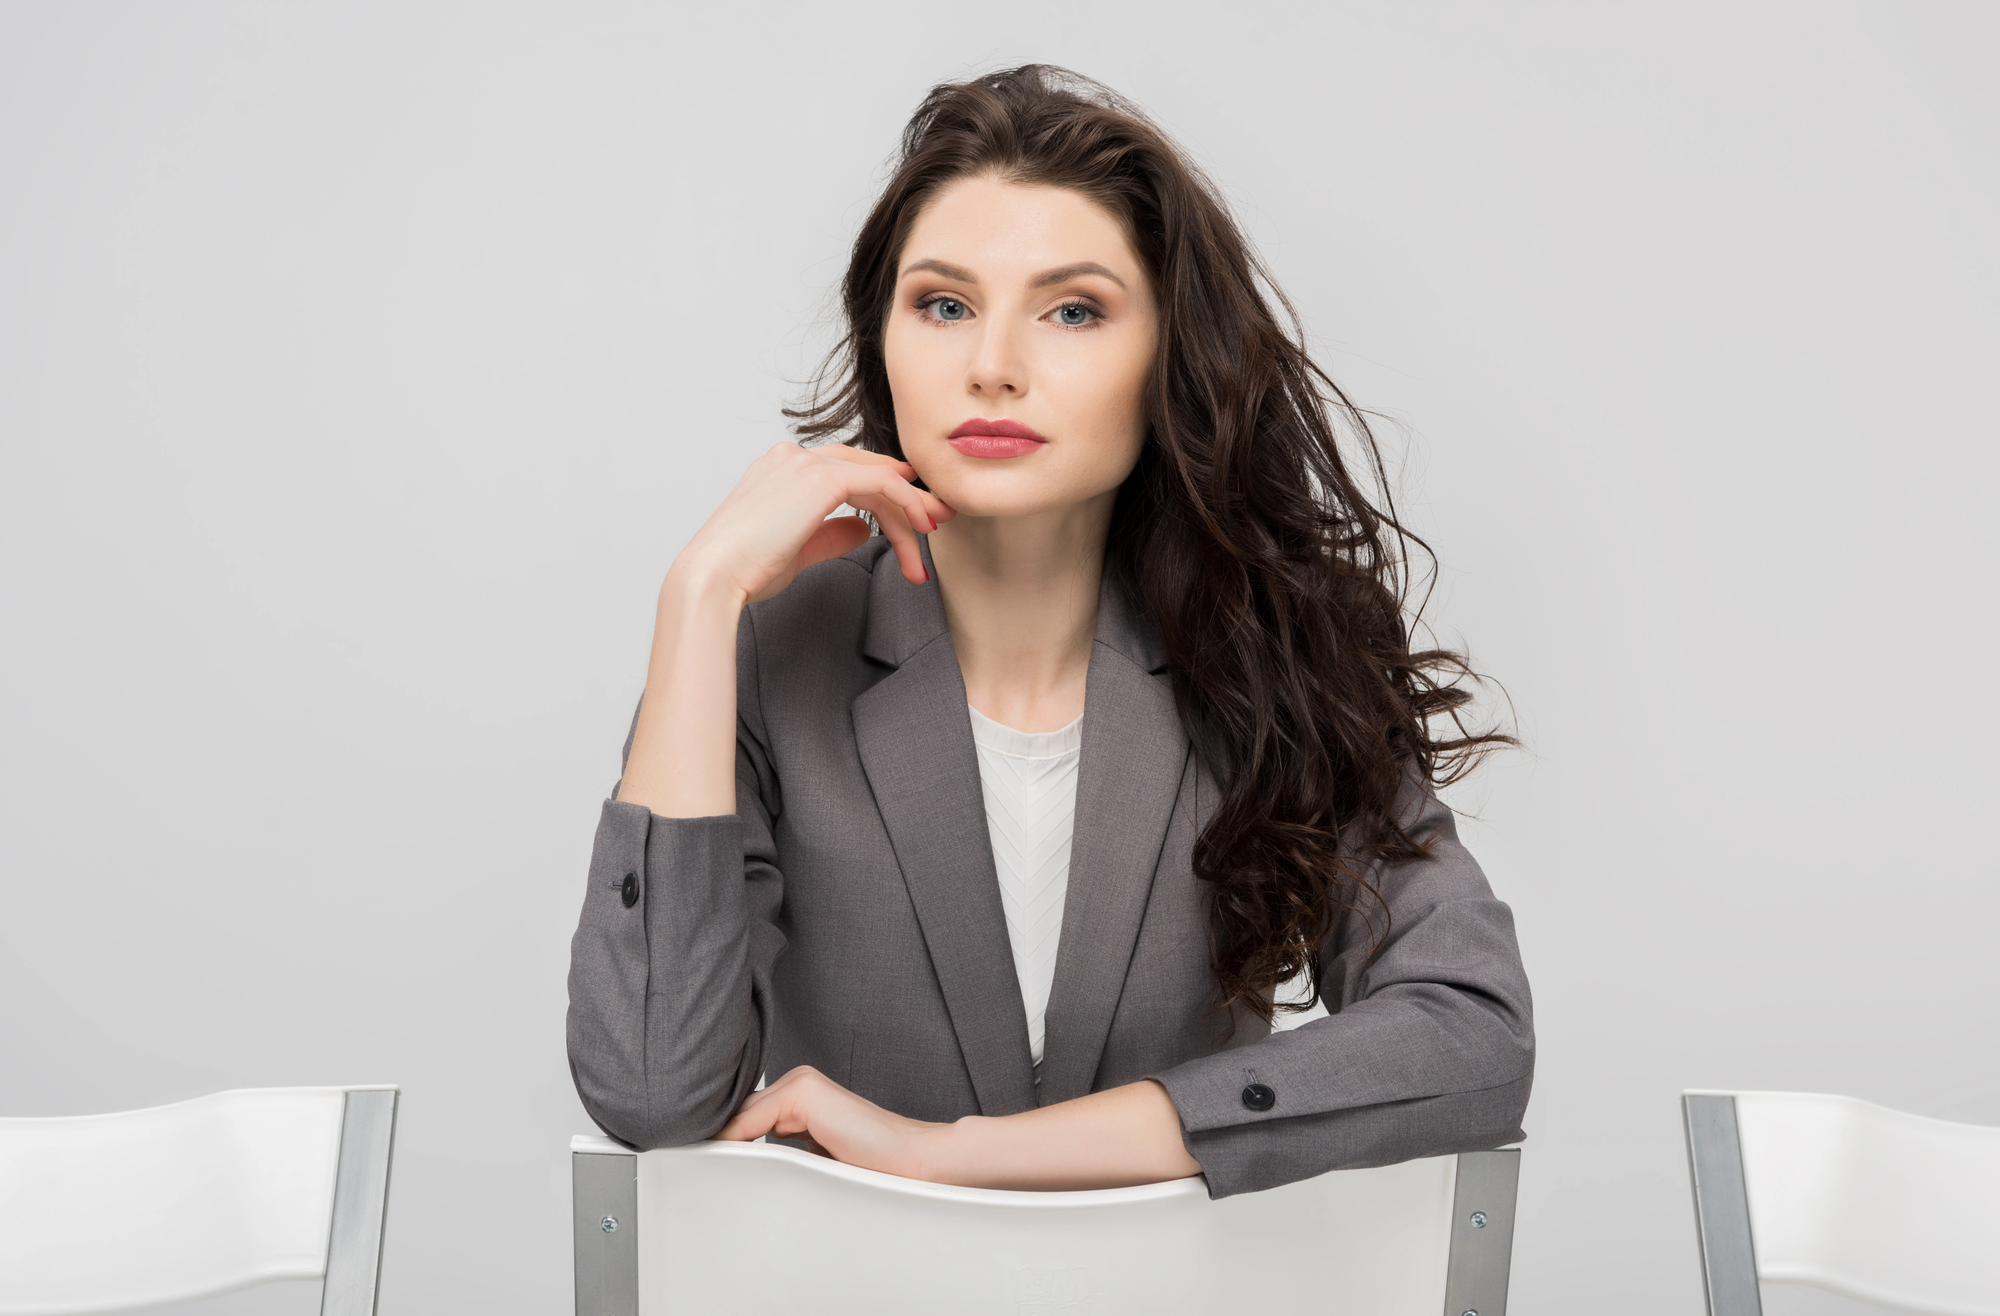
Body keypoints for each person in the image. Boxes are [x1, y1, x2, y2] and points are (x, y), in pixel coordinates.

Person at [566, 65, 1533, 1199]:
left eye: (1072, 310)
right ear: (881, 341)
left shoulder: (1268, 655)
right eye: (942, 304)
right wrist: (696, 598)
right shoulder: (761, 654)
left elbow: (1471, 1039)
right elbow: (647, 1089)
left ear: (1165, 357)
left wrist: (964, 1157)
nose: (992, 366)